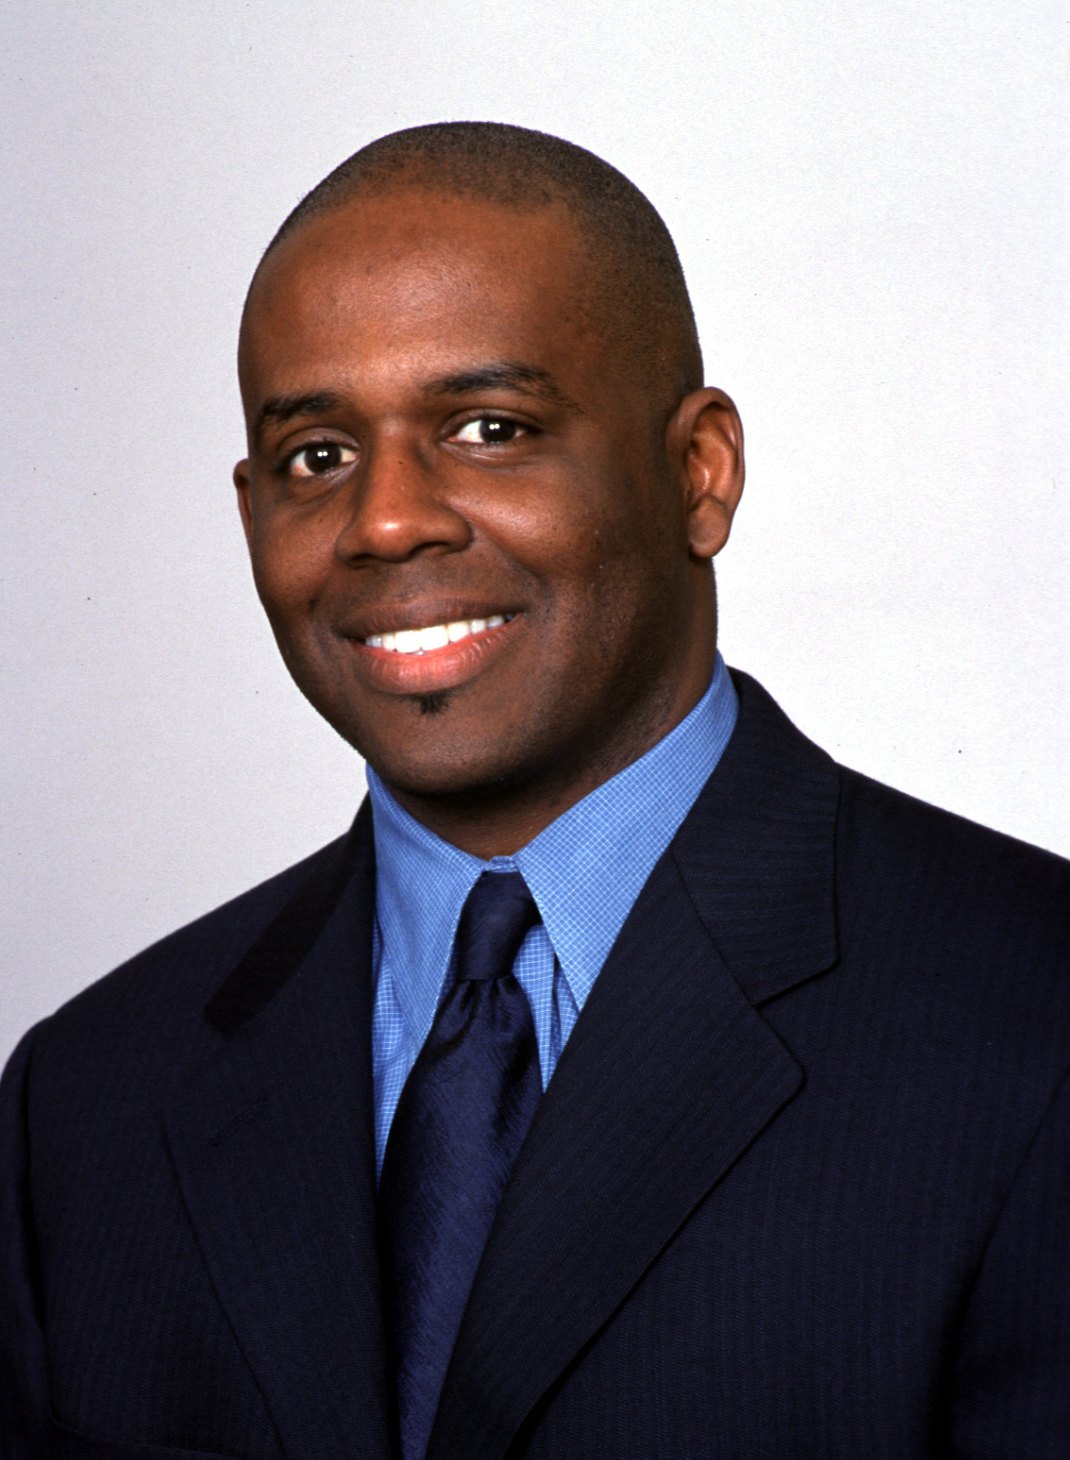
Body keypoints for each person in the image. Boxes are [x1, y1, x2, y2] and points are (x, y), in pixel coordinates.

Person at [1, 122, 1067, 1460]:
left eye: (490, 429)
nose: (386, 520)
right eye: (317, 456)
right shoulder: (85, 1103)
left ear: (700, 471)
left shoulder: (1034, 1020)